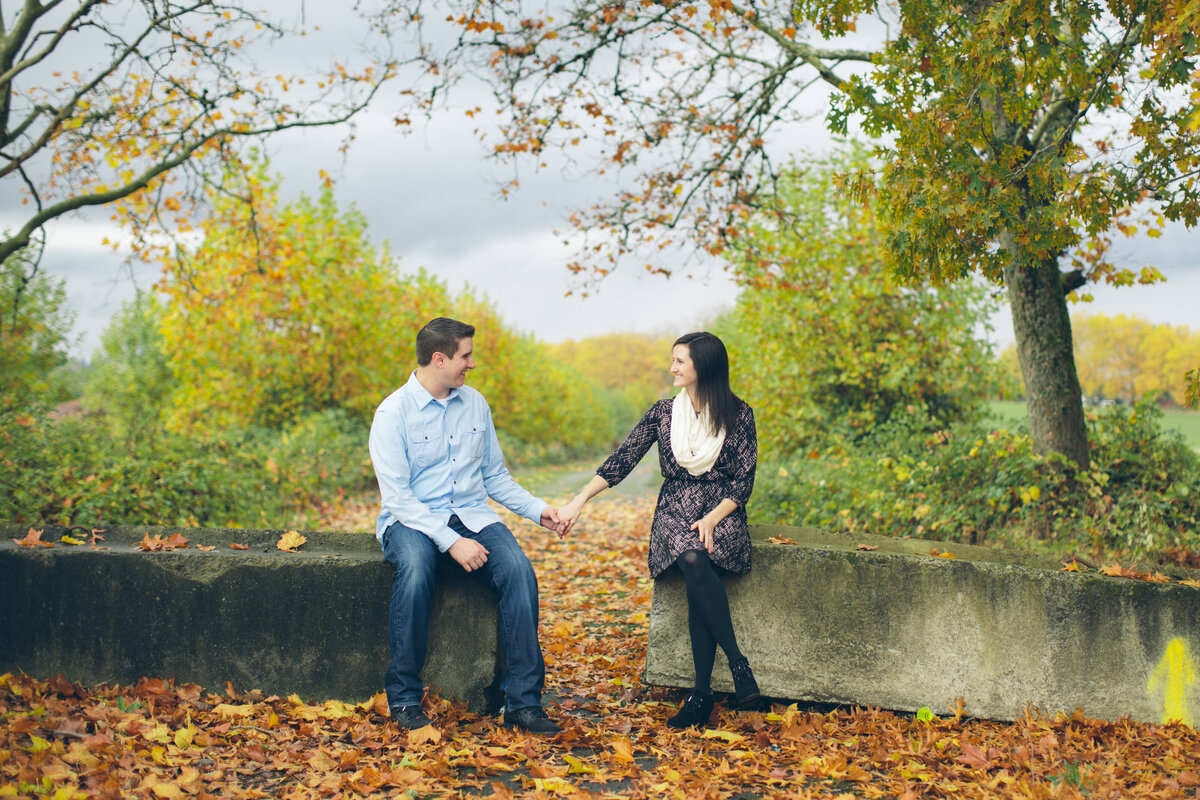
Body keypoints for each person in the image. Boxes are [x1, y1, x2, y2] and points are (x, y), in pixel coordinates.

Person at [368, 317, 565, 735]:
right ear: (439, 359)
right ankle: (403, 699)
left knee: (518, 572)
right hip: (412, 520)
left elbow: (494, 476)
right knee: (417, 570)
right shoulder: (392, 414)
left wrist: (537, 510)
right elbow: (398, 498)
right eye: (465, 356)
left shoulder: (474, 403)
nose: (472, 364)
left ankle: (522, 704)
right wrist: (452, 541)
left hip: (472, 513)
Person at [560, 331, 760, 729]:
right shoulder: (663, 412)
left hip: (723, 510)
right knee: (690, 555)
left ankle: (701, 694)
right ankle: (738, 664)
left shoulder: (739, 414)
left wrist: (713, 518)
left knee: (697, 563)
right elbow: (623, 460)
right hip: (675, 507)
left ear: (703, 366)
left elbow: (743, 482)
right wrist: (578, 500)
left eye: (680, 361)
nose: (672, 368)